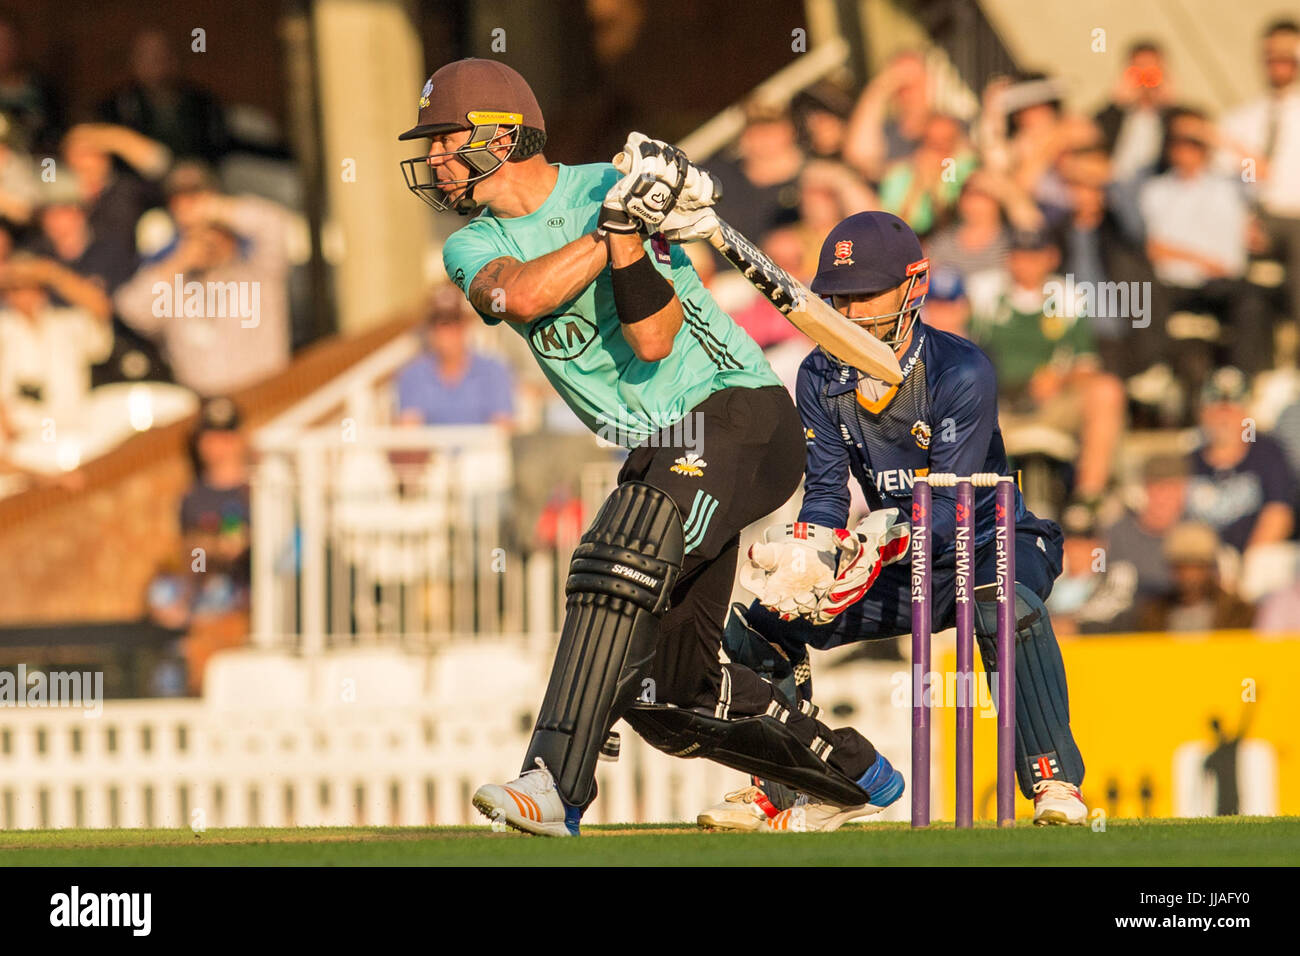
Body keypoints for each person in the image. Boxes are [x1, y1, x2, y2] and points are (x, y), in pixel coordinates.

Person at [400, 58, 902, 836]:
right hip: (659, 447)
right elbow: (526, 294)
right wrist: (624, 225)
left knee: (618, 550)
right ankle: (849, 775)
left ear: (500, 136)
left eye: (443, 139)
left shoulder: (603, 181)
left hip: (734, 414)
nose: (433, 159)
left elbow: (656, 335)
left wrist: (633, 221)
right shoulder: (474, 246)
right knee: (670, 700)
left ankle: (554, 785)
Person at [698, 211, 1089, 830]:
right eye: (838, 297)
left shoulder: (961, 371)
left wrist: (876, 545)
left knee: (1003, 605)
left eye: (865, 294)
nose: (850, 314)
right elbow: (826, 491)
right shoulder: (819, 376)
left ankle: (1054, 784)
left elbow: (950, 506)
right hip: (894, 563)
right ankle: (792, 784)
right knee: (763, 624)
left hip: (988, 545)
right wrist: (814, 553)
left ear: (916, 283)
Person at [114, 162, 292, 396]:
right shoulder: (176, 286)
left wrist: (212, 210)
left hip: (265, 395)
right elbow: (131, 310)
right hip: (202, 407)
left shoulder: (259, 273)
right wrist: (181, 259)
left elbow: (273, 224)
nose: (206, 242)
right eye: (194, 235)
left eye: (213, 232)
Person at [1140, 108, 1274, 376]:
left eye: (1193, 144)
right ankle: (1151, 373)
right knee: (1139, 298)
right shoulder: (1155, 190)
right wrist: (1200, 260)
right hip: (1174, 284)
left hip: (1224, 284)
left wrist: (1212, 134)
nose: (1185, 150)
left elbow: (1260, 169)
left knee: (1253, 303)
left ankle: (1241, 380)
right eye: (1179, 143)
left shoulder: (1230, 185)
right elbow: (1153, 246)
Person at [1219, 19, 1300, 326]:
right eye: (1271, 54)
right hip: (1255, 218)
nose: (1278, 61)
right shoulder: (1241, 119)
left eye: (1287, 53)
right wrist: (1242, 219)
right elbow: (1227, 179)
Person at [1184, 367, 1295, 555]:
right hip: (1203, 566)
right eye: (1216, 410)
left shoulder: (1267, 452)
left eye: (1232, 410)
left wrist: (1245, 566)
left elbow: (1280, 515)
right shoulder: (1191, 459)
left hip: (1255, 564)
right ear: (1202, 413)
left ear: (1246, 413)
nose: (1224, 418)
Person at [395, 284, 514, 427]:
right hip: (432, 449)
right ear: (429, 328)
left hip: (481, 449)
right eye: (439, 322)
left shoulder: (494, 371)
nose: (446, 331)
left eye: (454, 321)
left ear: (466, 325)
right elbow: (409, 431)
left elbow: (502, 428)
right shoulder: (412, 375)